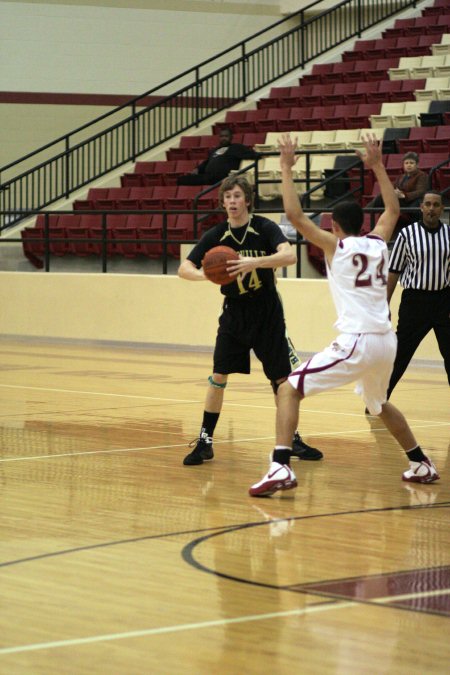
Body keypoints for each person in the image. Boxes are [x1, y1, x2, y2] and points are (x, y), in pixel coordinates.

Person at [249, 133, 440, 497]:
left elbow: (293, 215)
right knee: (378, 403)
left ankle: (280, 466)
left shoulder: (336, 247)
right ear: (363, 222)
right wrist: (379, 166)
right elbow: (393, 211)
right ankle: (420, 462)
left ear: (334, 226)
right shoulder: (378, 241)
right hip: (386, 340)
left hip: (359, 340)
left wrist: (286, 169)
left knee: (288, 389)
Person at [178, 174, 323, 466]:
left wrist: (254, 262)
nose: (232, 201)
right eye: (228, 196)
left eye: (237, 196)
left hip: (267, 312)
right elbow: (184, 268)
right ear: (223, 202)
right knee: (218, 376)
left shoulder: (264, 228)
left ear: (247, 200)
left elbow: (289, 256)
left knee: (281, 380)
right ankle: (205, 441)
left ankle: (291, 439)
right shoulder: (217, 235)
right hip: (235, 313)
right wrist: (206, 274)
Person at [386, 190, 450, 399]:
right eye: (428, 204)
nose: (432, 208)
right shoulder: (407, 235)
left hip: (443, 300)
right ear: (421, 207)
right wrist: (383, 304)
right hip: (414, 301)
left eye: (436, 205)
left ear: (442, 208)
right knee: (401, 353)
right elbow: (394, 271)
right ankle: (378, 397)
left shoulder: (449, 234)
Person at [366, 151, 428, 231]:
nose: (409, 165)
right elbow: (393, 187)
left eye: (411, 163)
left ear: (417, 164)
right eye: (406, 163)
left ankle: (367, 210)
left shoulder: (422, 175)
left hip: (412, 202)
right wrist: (394, 192)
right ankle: (369, 211)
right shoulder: (401, 177)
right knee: (383, 196)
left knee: (384, 198)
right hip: (400, 201)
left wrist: (404, 195)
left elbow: (421, 191)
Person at [177, 128, 259, 186]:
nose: (223, 138)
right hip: (208, 176)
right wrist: (198, 169)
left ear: (231, 137)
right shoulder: (214, 150)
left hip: (223, 177)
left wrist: (259, 154)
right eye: (221, 136)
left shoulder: (236, 148)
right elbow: (206, 162)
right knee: (181, 179)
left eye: (226, 136)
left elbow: (251, 154)